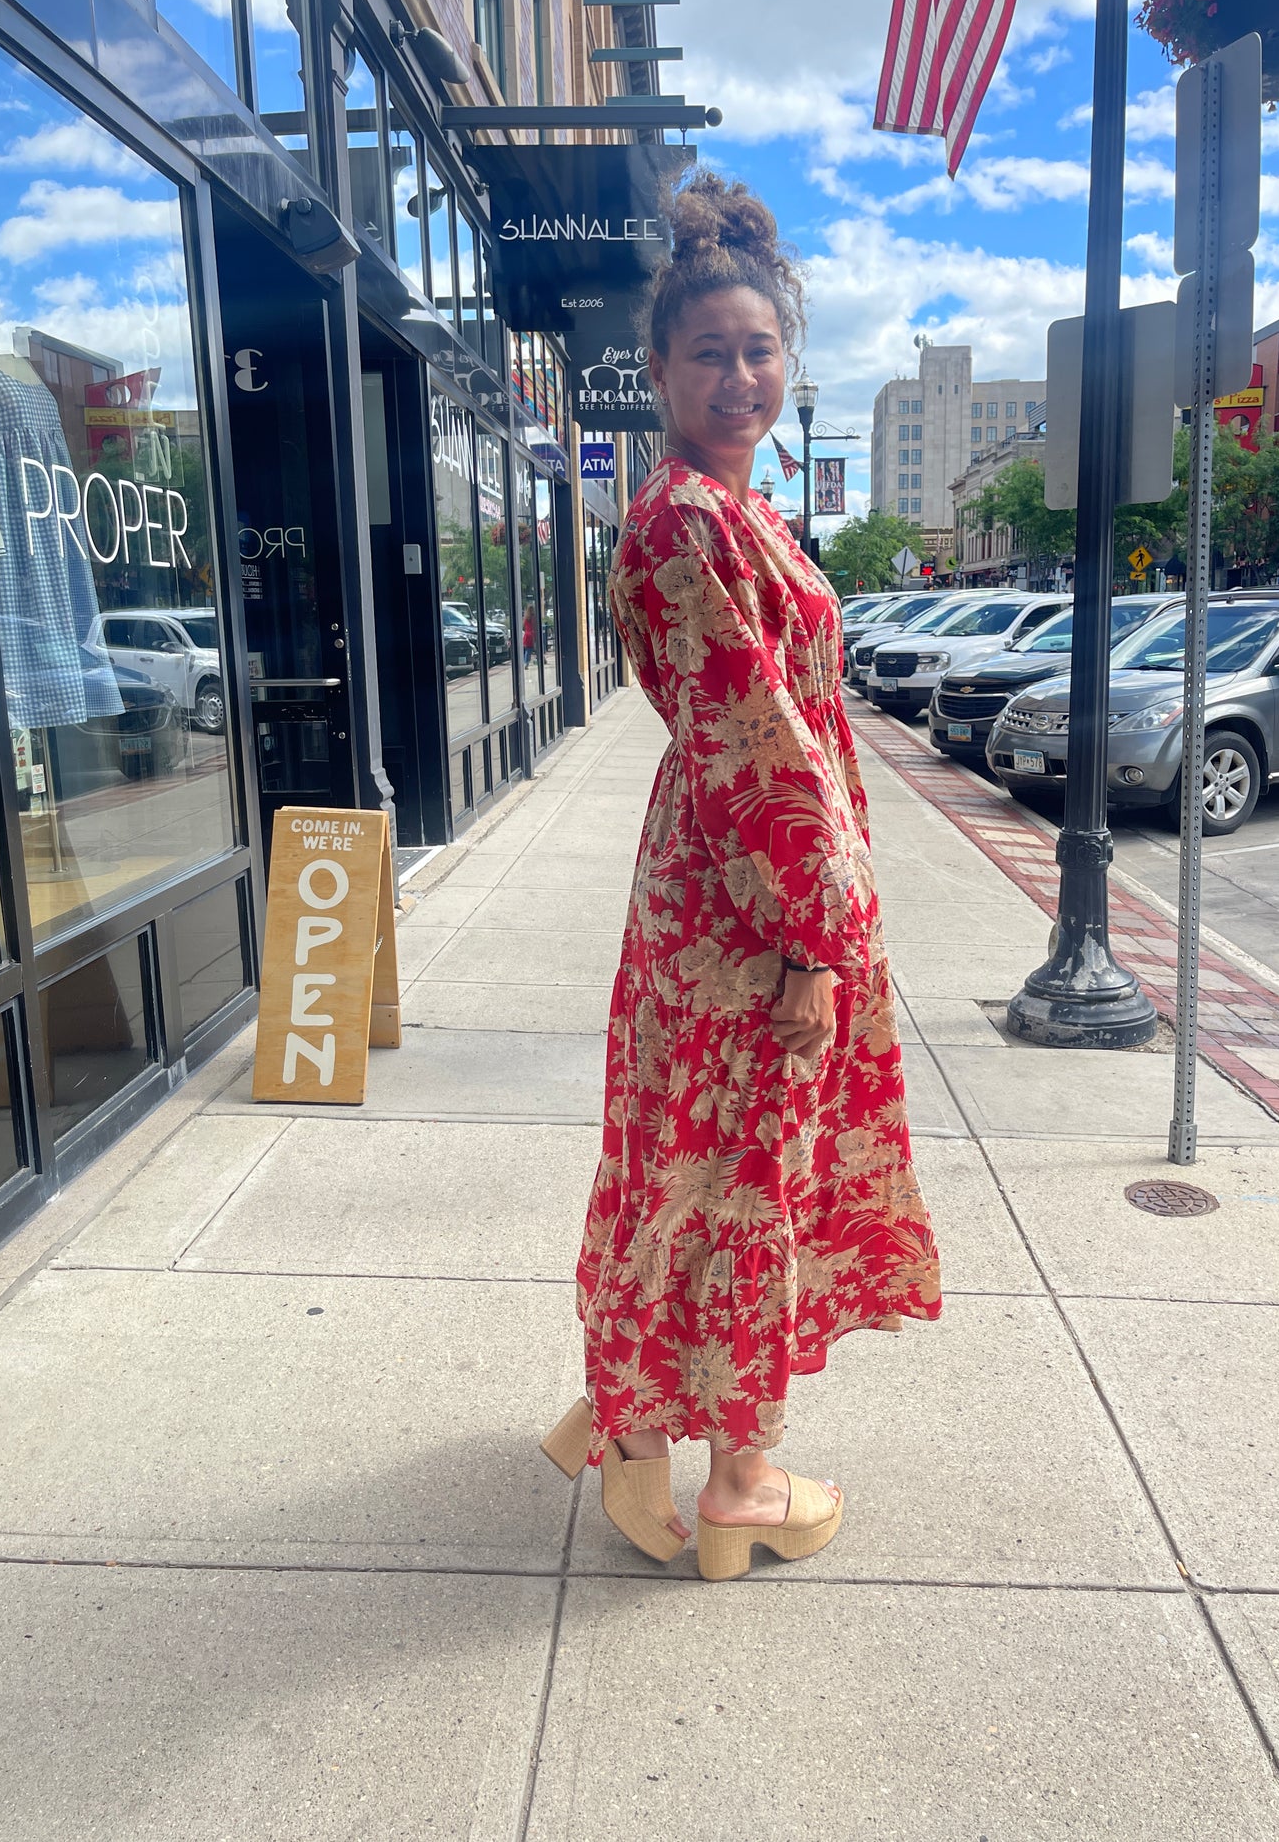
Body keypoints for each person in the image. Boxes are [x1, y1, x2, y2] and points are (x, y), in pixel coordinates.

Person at [542, 174, 942, 1581]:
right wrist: (818, 942)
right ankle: (741, 1484)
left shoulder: (723, 507)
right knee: (740, 1175)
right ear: (657, 371)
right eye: (707, 352)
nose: (738, 376)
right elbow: (754, 747)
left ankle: (628, 1412)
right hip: (751, 907)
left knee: (691, 1164)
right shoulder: (686, 522)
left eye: (759, 350)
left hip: (726, 888)